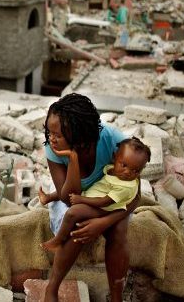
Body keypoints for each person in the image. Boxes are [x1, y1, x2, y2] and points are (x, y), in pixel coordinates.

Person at [38, 93, 141, 302]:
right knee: (77, 225)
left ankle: (116, 296)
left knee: (119, 230)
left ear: (78, 133)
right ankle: (52, 289)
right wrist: (72, 159)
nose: (51, 138)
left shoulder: (114, 141)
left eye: (57, 133)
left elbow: (135, 195)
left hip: (108, 197)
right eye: (49, 131)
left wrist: (103, 223)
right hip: (76, 197)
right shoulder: (54, 148)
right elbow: (68, 198)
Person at [39, 137, 151, 252]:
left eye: (136, 171)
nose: (128, 172)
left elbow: (104, 201)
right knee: (68, 191)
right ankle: (48, 198)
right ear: (114, 157)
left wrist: (81, 199)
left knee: (72, 213)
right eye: (124, 165)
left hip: (105, 208)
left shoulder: (126, 186)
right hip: (95, 194)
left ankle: (58, 241)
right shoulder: (112, 169)